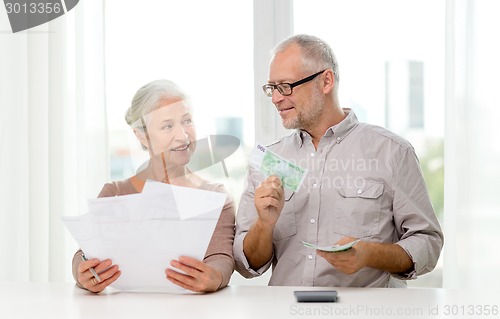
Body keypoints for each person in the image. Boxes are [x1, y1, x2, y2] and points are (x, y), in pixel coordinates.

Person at [233, 34, 444, 287]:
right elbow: (248, 266)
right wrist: (264, 226)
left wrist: (371, 254)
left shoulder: (392, 152)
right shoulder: (267, 160)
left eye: (286, 86)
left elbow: (428, 242)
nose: (277, 98)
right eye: (272, 88)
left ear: (326, 81)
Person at [72, 79, 235, 293]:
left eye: (187, 121)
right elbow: (84, 254)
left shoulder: (215, 195)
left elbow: (220, 256)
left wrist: (216, 277)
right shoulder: (115, 194)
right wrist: (81, 273)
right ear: (142, 136)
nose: (183, 135)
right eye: (168, 126)